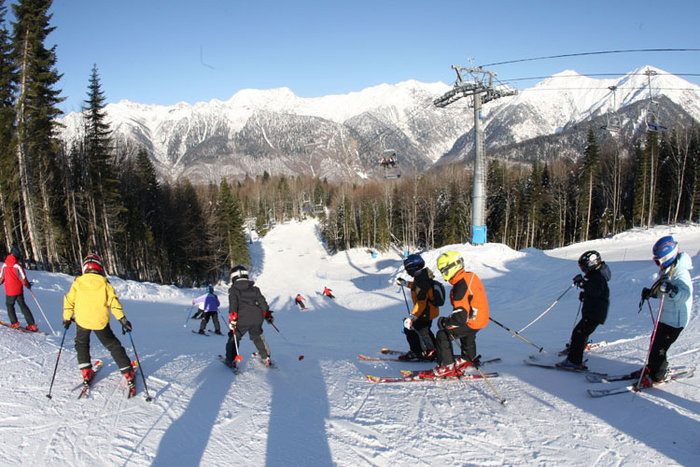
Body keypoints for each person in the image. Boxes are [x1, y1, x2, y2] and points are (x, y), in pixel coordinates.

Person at [62, 254, 135, 392]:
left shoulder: (78, 282)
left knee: (81, 344)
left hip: (82, 321)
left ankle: (85, 371)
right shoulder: (104, 283)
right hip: (100, 322)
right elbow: (114, 303)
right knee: (113, 345)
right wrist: (122, 320)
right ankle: (127, 372)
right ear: (100, 268)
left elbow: (68, 300)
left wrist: (66, 319)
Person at [635, 236, 693, 387]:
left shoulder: (680, 272)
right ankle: (653, 368)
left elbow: (685, 293)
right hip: (666, 317)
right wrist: (652, 293)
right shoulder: (668, 270)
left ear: (667, 257)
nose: (657, 264)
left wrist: (673, 290)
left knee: (659, 348)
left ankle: (658, 375)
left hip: (675, 321)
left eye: (657, 260)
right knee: (654, 342)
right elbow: (662, 289)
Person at [432, 251, 489, 377]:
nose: (443, 273)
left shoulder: (460, 287)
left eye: (444, 270)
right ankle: (467, 357)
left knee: (443, 334)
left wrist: (444, 322)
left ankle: (446, 366)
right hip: (481, 317)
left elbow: (460, 318)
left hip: (471, 320)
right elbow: (475, 294)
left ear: (452, 267)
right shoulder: (470, 276)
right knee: (467, 333)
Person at [557, 250, 611, 370]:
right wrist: (585, 294)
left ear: (591, 264)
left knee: (578, 333)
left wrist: (582, 284)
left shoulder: (598, 276)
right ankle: (576, 350)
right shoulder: (595, 275)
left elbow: (595, 291)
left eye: (583, 267)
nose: (582, 270)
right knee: (581, 332)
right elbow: (594, 291)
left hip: (594, 313)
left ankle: (574, 361)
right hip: (594, 312)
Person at [225, 265, 274, 367]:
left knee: (234, 337)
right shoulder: (255, 289)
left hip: (242, 319)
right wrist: (267, 314)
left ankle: (231, 359)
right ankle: (266, 357)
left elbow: (233, 305)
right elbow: (262, 302)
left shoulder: (234, 290)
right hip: (257, 318)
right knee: (257, 336)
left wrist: (233, 319)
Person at [396, 253, 439, 361]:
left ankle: (422, 352)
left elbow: (421, 303)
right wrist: (406, 284)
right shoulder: (421, 276)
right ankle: (433, 350)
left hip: (425, 311)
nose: (407, 271)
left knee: (413, 329)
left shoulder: (422, 281)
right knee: (424, 330)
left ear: (413, 268)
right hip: (429, 310)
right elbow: (416, 287)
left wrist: (412, 317)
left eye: (407, 269)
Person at [0, 246, 38, 331]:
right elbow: (22, 278)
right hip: (18, 290)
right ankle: (32, 325)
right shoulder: (17, 266)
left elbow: (1, 277)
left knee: (10, 305)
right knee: (23, 305)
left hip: (9, 291)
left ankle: (14, 323)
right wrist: (27, 284)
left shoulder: (4, 265)